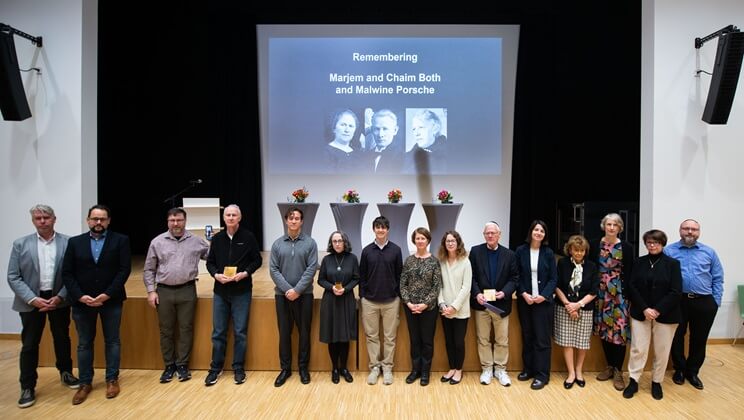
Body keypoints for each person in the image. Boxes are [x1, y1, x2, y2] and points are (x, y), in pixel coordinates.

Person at [7, 204, 80, 408]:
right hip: (31, 302)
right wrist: (32, 299)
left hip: (59, 299)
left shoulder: (68, 243)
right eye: (38, 218)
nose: (42, 221)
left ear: (54, 219)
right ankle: (27, 386)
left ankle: (66, 372)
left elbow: (72, 273)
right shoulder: (20, 244)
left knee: (62, 338)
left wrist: (60, 296)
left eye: (46, 217)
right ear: (33, 221)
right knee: (30, 344)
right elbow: (13, 276)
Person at [62, 204, 131, 405]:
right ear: (88, 220)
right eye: (95, 219)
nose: (98, 222)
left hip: (111, 300)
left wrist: (107, 294)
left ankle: (112, 379)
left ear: (108, 221)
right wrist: (80, 296)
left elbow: (123, 270)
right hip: (82, 302)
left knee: (113, 341)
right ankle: (85, 383)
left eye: (102, 219)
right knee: (84, 343)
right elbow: (67, 272)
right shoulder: (75, 243)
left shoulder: (120, 240)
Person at [143, 208, 209, 384]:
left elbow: (212, 256)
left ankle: (182, 365)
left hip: (187, 290)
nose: (175, 223)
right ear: (167, 222)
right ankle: (169, 365)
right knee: (166, 330)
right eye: (172, 220)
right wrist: (151, 291)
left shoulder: (196, 241)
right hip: (164, 291)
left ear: (185, 221)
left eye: (179, 220)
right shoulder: (157, 242)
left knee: (186, 329)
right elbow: (149, 269)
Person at [204, 204, 262, 386]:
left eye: (234, 215)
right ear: (224, 218)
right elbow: (210, 262)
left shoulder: (248, 237)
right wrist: (215, 274)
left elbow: (257, 260)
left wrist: (245, 273)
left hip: (241, 291)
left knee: (240, 332)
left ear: (240, 217)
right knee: (218, 332)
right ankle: (215, 368)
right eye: (227, 215)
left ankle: (238, 368)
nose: (230, 217)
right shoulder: (218, 238)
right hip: (220, 291)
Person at [665, 219, 724, 390]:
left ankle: (693, 371)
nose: (690, 232)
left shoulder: (709, 252)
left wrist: (715, 301)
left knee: (699, 338)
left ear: (699, 232)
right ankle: (679, 370)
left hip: (704, 301)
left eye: (694, 229)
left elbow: (718, 278)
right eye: (686, 228)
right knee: (677, 336)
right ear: (680, 230)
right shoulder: (670, 251)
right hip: (678, 301)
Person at [623, 229, 681, 400]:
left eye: (656, 242)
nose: (652, 245)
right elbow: (631, 286)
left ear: (662, 243)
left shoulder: (672, 264)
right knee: (638, 349)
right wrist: (645, 309)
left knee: (662, 350)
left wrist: (657, 310)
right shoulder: (638, 262)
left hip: (666, 315)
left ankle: (657, 382)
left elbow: (676, 291)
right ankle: (633, 381)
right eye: (649, 242)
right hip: (641, 313)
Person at [269, 207, 319, 387]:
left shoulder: (310, 243)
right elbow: (273, 269)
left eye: (297, 218)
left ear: (301, 221)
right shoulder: (277, 244)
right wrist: (287, 289)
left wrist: (297, 290)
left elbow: (311, 268)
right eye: (291, 218)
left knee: (304, 333)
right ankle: (286, 369)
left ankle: (303, 368)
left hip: (304, 295)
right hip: (282, 297)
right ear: (286, 220)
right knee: (284, 333)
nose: (293, 221)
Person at [469, 221, 519, 386]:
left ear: (499, 234)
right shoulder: (475, 252)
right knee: (483, 339)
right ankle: (487, 369)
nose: (490, 236)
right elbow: (472, 277)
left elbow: (514, 278)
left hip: (501, 305)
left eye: (493, 233)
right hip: (481, 305)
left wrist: (504, 292)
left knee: (501, 340)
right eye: (487, 233)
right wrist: (476, 294)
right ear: (484, 235)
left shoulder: (510, 254)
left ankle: (500, 369)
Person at [590, 212, 635, 391]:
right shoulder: (594, 244)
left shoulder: (627, 247)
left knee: (619, 332)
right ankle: (609, 366)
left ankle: (618, 370)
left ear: (620, 228)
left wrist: (630, 296)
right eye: (608, 224)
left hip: (620, 294)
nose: (611, 228)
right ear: (604, 226)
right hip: (600, 294)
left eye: (615, 225)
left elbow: (631, 272)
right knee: (603, 330)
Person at [359, 216, 403, 385]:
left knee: (390, 337)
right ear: (374, 229)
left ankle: (387, 368)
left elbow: (400, 274)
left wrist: (397, 294)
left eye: (383, 227)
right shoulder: (367, 251)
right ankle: (374, 368)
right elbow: (362, 275)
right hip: (369, 301)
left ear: (388, 230)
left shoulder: (396, 250)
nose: (380, 230)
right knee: (372, 337)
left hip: (391, 301)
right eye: (378, 227)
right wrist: (363, 295)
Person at [514, 220, 557, 390]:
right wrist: (523, 293)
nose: (538, 233)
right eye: (536, 229)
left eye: (542, 231)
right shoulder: (520, 251)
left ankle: (542, 375)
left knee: (542, 339)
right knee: (528, 336)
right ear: (531, 231)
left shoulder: (548, 253)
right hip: (525, 301)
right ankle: (528, 370)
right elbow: (516, 275)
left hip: (543, 303)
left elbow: (554, 279)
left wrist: (543, 295)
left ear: (545, 235)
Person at [554, 235, 598, 390]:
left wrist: (577, 305)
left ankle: (579, 370)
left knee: (582, 342)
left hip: (584, 308)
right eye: (575, 250)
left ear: (585, 252)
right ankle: (571, 373)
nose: (578, 253)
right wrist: (568, 305)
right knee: (567, 342)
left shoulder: (592, 266)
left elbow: (594, 291)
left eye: (581, 250)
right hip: (564, 307)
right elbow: (557, 285)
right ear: (570, 250)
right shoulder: (562, 263)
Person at [400, 227, 442, 386]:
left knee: (427, 341)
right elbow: (402, 284)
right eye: (417, 238)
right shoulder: (409, 260)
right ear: (414, 240)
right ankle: (415, 370)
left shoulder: (434, 261)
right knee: (414, 340)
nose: (420, 241)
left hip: (428, 309)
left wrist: (424, 304)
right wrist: (409, 303)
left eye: (423, 238)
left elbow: (436, 286)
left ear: (428, 240)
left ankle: (425, 372)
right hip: (410, 308)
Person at [317, 231, 359, 384]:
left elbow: (356, 278)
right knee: (332, 336)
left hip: (346, 299)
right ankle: (334, 368)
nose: (337, 244)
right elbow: (320, 280)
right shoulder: (327, 260)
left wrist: (345, 289)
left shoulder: (352, 258)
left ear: (345, 242)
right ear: (331, 243)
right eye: (334, 241)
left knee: (344, 336)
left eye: (340, 240)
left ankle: (344, 368)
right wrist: (331, 288)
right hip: (330, 300)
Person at [437, 230, 471, 385]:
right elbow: (439, 286)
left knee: (458, 342)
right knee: (449, 341)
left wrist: (454, 307)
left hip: (460, 310)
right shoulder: (442, 261)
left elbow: (466, 287)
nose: (450, 243)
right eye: (447, 241)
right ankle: (451, 368)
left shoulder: (465, 261)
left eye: (453, 241)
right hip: (445, 309)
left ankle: (458, 370)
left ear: (458, 243)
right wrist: (443, 304)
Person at [404, 109, 447, 174]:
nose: (416, 133)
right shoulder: (406, 158)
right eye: (414, 129)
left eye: (421, 127)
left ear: (435, 128)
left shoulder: (447, 154)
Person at [365, 109, 404, 173]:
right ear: (372, 129)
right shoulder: (366, 156)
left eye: (385, 129)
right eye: (377, 129)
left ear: (395, 130)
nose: (380, 135)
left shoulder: (402, 157)